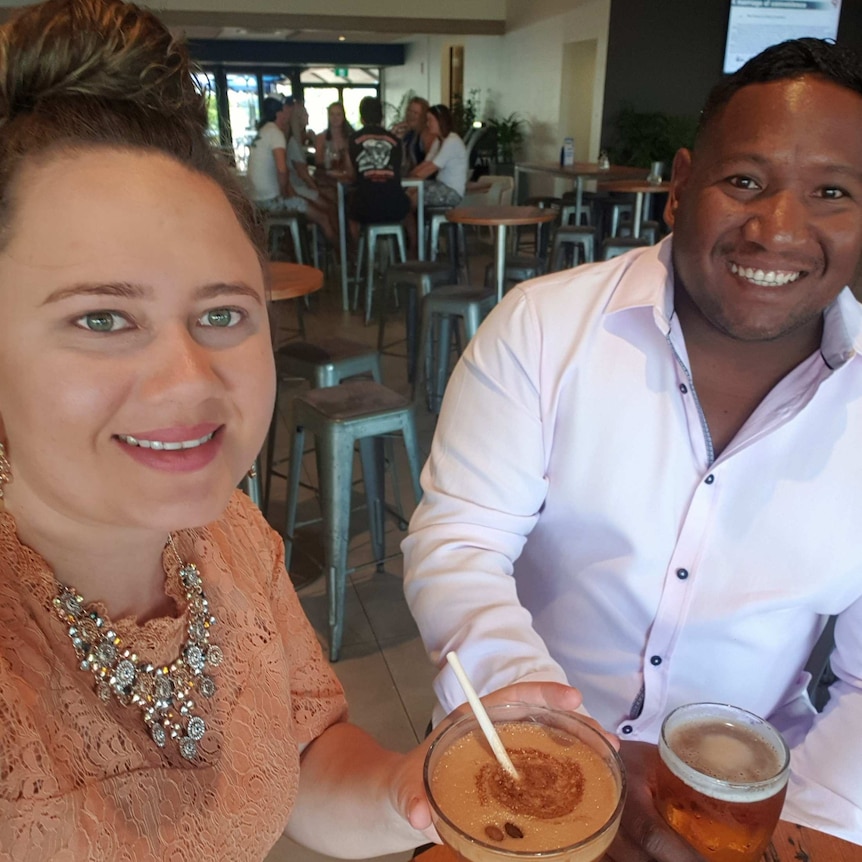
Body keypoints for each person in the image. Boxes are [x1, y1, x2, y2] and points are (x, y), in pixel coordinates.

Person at [0, 1, 590, 860]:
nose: (189, 380)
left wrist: (412, 790)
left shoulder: (232, 537)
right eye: (102, 319)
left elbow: (303, 754)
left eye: (222, 314)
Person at [403, 37, 862, 856]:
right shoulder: (545, 329)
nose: (778, 229)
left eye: (833, 191)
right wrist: (536, 720)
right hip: (520, 765)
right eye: (745, 181)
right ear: (682, 186)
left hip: (745, 806)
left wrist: (804, 826)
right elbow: (460, 538)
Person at [346, 96, 410, 232]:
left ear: (362, 118)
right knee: (408, 209)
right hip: (395, 204)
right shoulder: (396, 141)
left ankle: (357, 251)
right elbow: (402, 169)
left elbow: (351, 174)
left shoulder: (353, 140)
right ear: (381, 117)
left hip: (366, 206)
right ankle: (412, 250)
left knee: (351, 214)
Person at [285, 99, 338, 242]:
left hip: (297, 186)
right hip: (296, 188)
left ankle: (332, 249)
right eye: (305, 114)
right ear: (299, 118)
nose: (308, 116)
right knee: (330, 208)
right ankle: (338, 249)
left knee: (332, 201)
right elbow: (304, 175)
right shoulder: (293, 143)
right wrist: (318, 190)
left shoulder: (297, 139)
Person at [245, 95, 307, 217]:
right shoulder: (276, 134)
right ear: (281, 112)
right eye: (288, 107)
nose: (291, 110)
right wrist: (285, 194)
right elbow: (282, 170)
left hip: (256, 199)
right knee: (320, 215)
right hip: (269, 201)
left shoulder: (264, 130)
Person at [409, 104, 468, 207]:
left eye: (430, 120)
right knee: (408, 194)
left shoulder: (452, 141)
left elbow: (430, 169)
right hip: (440, 185)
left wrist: (408, 182)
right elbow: (425, 164)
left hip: (452, 192)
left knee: (411, 198)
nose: (428, 124)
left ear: (440, 121)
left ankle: (416, 223)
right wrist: (408, 178)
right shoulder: (439, 140)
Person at [393, 96, 433, 175]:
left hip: (420, 180)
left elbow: (429, 163)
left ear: (423, 116)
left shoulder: (426, 134)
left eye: (415, 113)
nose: (411, 115)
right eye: (409, 111)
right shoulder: (407, 133)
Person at [314, 100, 353, 176]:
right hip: (327, 178)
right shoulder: (321, 138)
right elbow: (318, 162)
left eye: (338, 114)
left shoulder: (350, 138)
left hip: (347, 178)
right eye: (332, 114)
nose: (335, 118)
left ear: (343, 116)